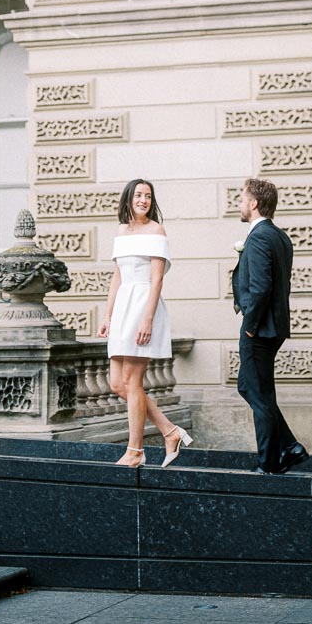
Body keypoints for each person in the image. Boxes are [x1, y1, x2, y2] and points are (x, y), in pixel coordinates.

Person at [98, 177, 193, 468]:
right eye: (138, 195)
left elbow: (157, 279)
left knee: (132, 381)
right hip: (123, 306)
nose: (143, 200)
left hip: (143, 306)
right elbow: (117, 277)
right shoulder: (121, 232)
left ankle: (135, 451)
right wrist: (108, 315)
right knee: (117, 384)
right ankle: (170, 431)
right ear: (128, 198)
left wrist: (148, 319)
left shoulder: (156, 230)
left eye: (148, 196)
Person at [232, 176, 309, 475]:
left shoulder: (261, 236)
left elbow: (262, 286)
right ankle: (289, 446)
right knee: (249, 387)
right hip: (273, 327)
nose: (240, 204)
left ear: (253, 203)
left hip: (259, 329)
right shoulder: (280, 236)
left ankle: (269, 463)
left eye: (242, 199)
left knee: (259, 394)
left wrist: (250, 325)